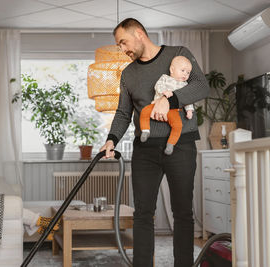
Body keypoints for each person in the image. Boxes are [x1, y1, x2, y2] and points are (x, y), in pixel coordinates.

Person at [100, 18, 209, 267]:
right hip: (145, 150)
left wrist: (169, 101)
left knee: (182, 213)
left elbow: (201, 86)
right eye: (119, 46)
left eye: (123, 42)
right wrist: (111, 140)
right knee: (143, 214)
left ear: (139, 33)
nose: (122, 49)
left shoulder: (178, 54)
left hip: (180, 145)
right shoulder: (128, 74)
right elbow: (123, 113)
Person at [139, 55, 194, 155]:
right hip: (157, 105)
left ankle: (170, 144)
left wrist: (189, 110)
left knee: (178, 126)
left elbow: (188, 99)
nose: (185, 74)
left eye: (188, 72)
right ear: (172, 69)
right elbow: (157, 86)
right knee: (144, 111)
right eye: (183, 70)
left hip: (173, 110)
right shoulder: (165, 78)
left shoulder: (185, 85)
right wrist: (164, 91)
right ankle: (145, 130)